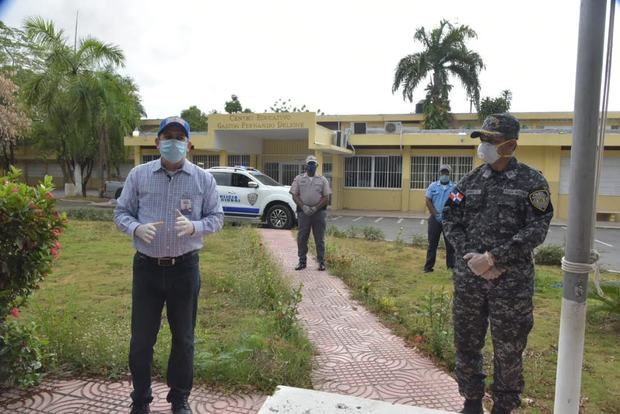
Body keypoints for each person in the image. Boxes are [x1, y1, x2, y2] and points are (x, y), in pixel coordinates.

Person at [442, 113, 553, 414]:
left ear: (510, 144)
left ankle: (503, 407)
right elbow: (450, 218)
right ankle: (472, 401)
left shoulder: (533, 182)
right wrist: (471, 258)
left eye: (491, 140)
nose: (484, 146)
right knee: (467, 343)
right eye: (482, 140)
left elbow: (538, 227)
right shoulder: (468, 181)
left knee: (509, 350)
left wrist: (493, 259)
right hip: (470, 281)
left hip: (511, 285)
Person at [114, 116, 224, 414]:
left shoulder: (203, 179)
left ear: (189, 144)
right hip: (147, 269)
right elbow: (121, 212)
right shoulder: (139, 175)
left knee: (184, 339)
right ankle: (140, 398)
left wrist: (195, 226)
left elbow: (218, 217)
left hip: (184, 269)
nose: (173, 142)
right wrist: (136, 229)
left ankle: (179, 398)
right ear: (156, 142)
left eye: (179, 137)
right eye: (167, 136)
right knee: (141, 340)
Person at [290, 155, 332, 271]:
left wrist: (315, 208)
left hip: (319, 213)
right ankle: (302, 262)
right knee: (302, 237)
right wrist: (303, 207)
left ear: (316, 166)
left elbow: (326, 197)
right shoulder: (299, 179)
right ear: (306, 166)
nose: (311, 167)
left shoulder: (322, 180)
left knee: (319, 238)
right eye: (310, 164)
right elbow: (294, 194)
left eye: (313, 164)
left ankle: (321, 262)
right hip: (303, 213)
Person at [423, 164, 456, 273]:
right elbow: (428, 200)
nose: (444, 175)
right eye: (443, 173)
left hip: (448, 220)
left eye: (446, 173)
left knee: (450, 245)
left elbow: (457, 202)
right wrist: (435, 213)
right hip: (434, 220)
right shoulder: (433, 186)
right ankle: (428, 268)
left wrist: (450, 214)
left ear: (449, 174)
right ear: (439, 173)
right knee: (432, 244)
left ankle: (451, 267)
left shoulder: (454, 187)